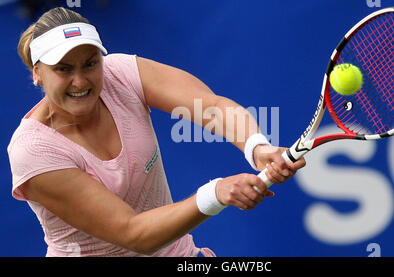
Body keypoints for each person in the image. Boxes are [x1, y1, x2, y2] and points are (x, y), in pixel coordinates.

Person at [7, 7, 306, 257]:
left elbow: (211, 107)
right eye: (63, 69)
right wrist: (216, 193)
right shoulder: (33, 151)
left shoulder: (119, 73)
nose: (80, 81)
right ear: (37, 72)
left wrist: (257, 147)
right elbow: (132, 232)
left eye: (90, 64)